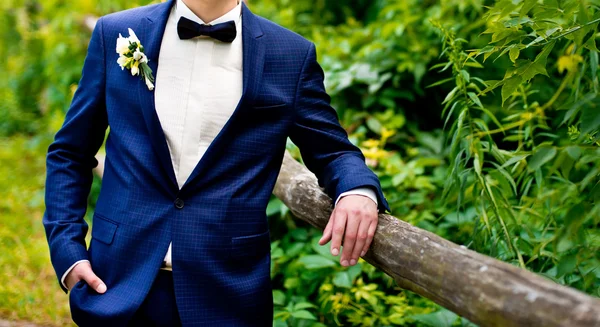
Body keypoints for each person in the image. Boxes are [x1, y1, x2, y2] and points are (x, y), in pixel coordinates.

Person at [43, 0, 390, 325]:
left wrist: (358, 191)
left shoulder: (290, 55)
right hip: (116, 284)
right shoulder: (116, 33)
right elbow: (70, 153)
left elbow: (334, 150)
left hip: (227, 295)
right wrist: (68, 250)